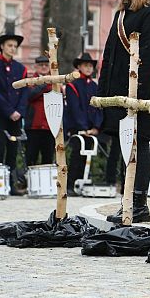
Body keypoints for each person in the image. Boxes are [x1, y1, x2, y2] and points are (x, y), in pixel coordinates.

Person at [98, 0, 150, 223]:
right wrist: (103, 91)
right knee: (123, 144)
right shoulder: (121, 15)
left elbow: (149, 58)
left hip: (138, 91)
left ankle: (139, 202)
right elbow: (109, 55)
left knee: (138, 145)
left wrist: (136, 93)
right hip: (116, 90)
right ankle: (126, 198)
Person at [0, 34, 28, 195]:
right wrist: (9, 111)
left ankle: (10, 184)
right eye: (10, 45)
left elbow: (24, 92)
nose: (13, 48)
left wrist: (19, 111)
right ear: (2, 46)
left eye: (15, 46)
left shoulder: (21, 69)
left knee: (12, 149)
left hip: (16, 115)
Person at [65, 53, 103, 195]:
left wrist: (96, 127)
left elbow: (98, 108)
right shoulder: (73, 85)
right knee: (76, 155)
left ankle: (83, 181)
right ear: (79, 67)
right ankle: (70, 184)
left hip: (91, 129)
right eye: (85, 65)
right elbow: (75, 108)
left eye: (91, 66)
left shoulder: (94, 86)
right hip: (78, 128)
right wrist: (82, 127)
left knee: (88, 156)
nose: (88, 68)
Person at [25, 56, 55, 166]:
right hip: (33, 126)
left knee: (47, 160)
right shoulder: (30, 81)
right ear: (36, 67)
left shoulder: (55, 82)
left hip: (49, 126)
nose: (44, 67)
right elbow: (30, 95)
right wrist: (45, 83)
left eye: (46, 65)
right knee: (31, 158)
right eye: (41, 65)